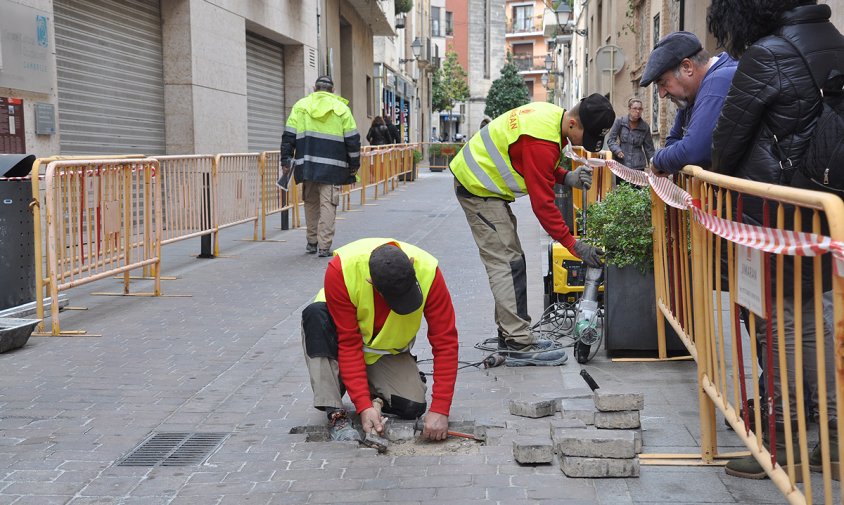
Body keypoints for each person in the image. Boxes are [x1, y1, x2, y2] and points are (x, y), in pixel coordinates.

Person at [707, 0, 844, 480]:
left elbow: (725, 142)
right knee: (814, 322)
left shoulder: (767, 54)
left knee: (776, 326)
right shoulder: (834, 40)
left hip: (774, 212)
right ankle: (833, 438)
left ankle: (781, 443)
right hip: (824, 209)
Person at [449, 95, 614, 366]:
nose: (581, 143)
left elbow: (534, 165)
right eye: (584, 135)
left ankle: (513, 333)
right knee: (507, 262)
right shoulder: (541, 140)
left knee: (513, 260)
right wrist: (575, 246)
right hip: (477, 187)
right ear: (573, 123)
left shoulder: (550, 119)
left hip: (487, 189)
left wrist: (565, 176)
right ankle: (517, 342)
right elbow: (543, 206)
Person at [301, 238, 459, 442]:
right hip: (338, 347)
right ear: (372, 284)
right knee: (315, 314)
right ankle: (336, 412)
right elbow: (349, 344)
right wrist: (364, 407)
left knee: (412, 406)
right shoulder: (342, 270)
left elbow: (445, 341)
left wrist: (441, 408)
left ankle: (367, 385)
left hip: (382, 354)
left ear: (411, 265)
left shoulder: (428, 271)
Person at [281, 75, 360, 257]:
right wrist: (354, 164)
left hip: (307, 166)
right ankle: (324, 246)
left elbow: (288, 136)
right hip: (333, 168)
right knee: (328, 205)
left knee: (310, 203)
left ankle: (311, 242)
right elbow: (353, 140)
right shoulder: (341, 109)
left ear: (314, 89)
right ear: (332, 90)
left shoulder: (301, 106)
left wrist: (285, 159)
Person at [639, 31, 738, 176]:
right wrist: (672, 156)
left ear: (687, 67)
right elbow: (673, 141)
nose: (661, 94)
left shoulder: (718, 81)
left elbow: (695, 151)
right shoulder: (691, 95)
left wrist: (658, 160)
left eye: (663, 83)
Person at [606, 98, 655, 171]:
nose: (637, 111)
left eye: (640, 109)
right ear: (629, 109)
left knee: (637, 182)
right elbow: (611, 140)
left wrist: (654, 166)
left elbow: (649, 149)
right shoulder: (620, 122)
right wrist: (617, 151)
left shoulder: (645, 127)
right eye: (635, 108)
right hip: (622, 164)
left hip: (638, 166)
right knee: (621, 183)